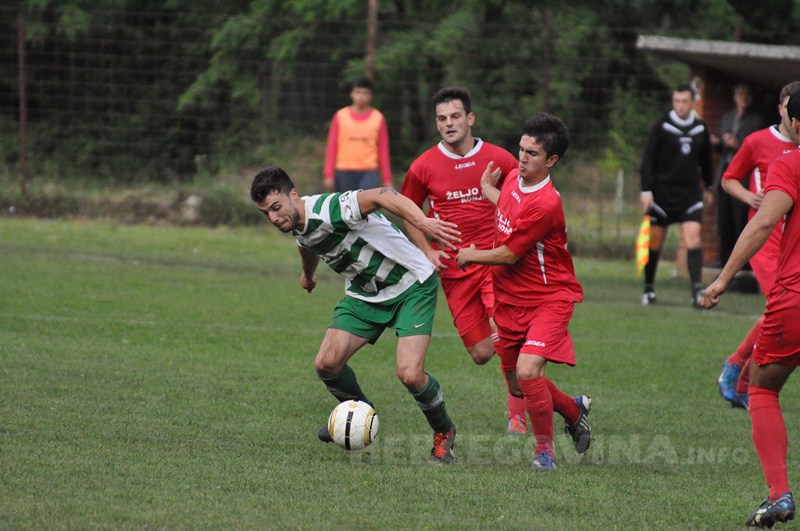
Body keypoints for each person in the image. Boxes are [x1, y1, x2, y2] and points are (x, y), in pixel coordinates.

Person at [250, 166, 461, 464]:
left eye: (276, 208)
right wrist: (308, 275)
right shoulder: (297, 222)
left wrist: (422, 221)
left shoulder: (331, 208)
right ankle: (359, 413)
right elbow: (306, 244)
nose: (273, 218)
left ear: (293, 196)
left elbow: (383, 195)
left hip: (411, 284)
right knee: (326, 364)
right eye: (265, 214)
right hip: (366, 294)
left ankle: (444, 432)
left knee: (410, 374)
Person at [456, 113, 591, 472]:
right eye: (521, 149)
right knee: (518, 386)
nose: (522, 158)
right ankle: (572, 409)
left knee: (529, 372)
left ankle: (544, 452)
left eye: (532, 153)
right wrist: (489, 191)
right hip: (509, 300)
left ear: (552, 160)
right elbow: (510, 208)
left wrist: (471, 255)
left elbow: (510, 253)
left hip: (550, 299)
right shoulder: (515, 178)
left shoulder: (547, 204)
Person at [400, 87, 528, 435]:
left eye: (455, 116)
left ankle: (519, 410)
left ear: (470, 119)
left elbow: (525, 199)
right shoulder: (424, 166)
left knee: (505, 331)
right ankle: (523, 356)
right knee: (482, 352)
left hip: (496, 262)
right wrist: (428, 250)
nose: (448, 123)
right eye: (442, 118)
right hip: (455, 272)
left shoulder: (499, 159)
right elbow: (408, 213)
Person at [701, 88, 800, 529]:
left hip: (795, 299)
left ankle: (779, 494)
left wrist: (722, 278)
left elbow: (763, 222)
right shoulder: (761, 145)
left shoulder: (790, 162)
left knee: (762, 389)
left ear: (794, 123)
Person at [716, 81, 800, 410]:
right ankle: (737, 368)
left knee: (782, 310)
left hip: (790, 242)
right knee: (778, 306)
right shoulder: (758, 141)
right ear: (782, 108)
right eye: (788, 105)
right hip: (765, 241)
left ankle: (744, 379)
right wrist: (749, 196)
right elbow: (728, 178)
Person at [639, 83, 714, 307]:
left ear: (692, 103)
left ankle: (696, 292)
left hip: (690, 194)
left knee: (694, 237)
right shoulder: (661, 127)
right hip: (662, 194)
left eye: (685, 101)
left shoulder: (701, 129)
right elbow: (647, 161)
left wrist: (709, 187)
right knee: (655, 241)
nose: (681, 106)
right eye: (677, 101)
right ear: (673, 102)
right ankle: (649, 288)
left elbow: (706, 161)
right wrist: (646, 190)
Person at [712, 83, 765, 268]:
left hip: (742, 181)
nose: (743, 98)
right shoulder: (728, 117)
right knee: (724, 221)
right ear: (735, 97)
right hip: (725, 175)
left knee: (740, 221)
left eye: (746, 94)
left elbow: (754, 146)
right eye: (740, 94)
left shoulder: (756, 120)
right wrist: (719, 141)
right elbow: (720, 142)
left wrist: (737, 143)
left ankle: (743, 263)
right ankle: (724, 260)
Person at [323, 77, 393, 192]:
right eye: (358, 92)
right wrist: (328, 174)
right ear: (352, 94)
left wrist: (387, 178)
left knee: (366, 208)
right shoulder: (340, 116)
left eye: (365, 93)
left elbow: (383, 150)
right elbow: (332, 146)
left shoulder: (378, 118)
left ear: (370, 96)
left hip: (369, 171)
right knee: (345, 208)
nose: (361, 96)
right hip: (344, 171)